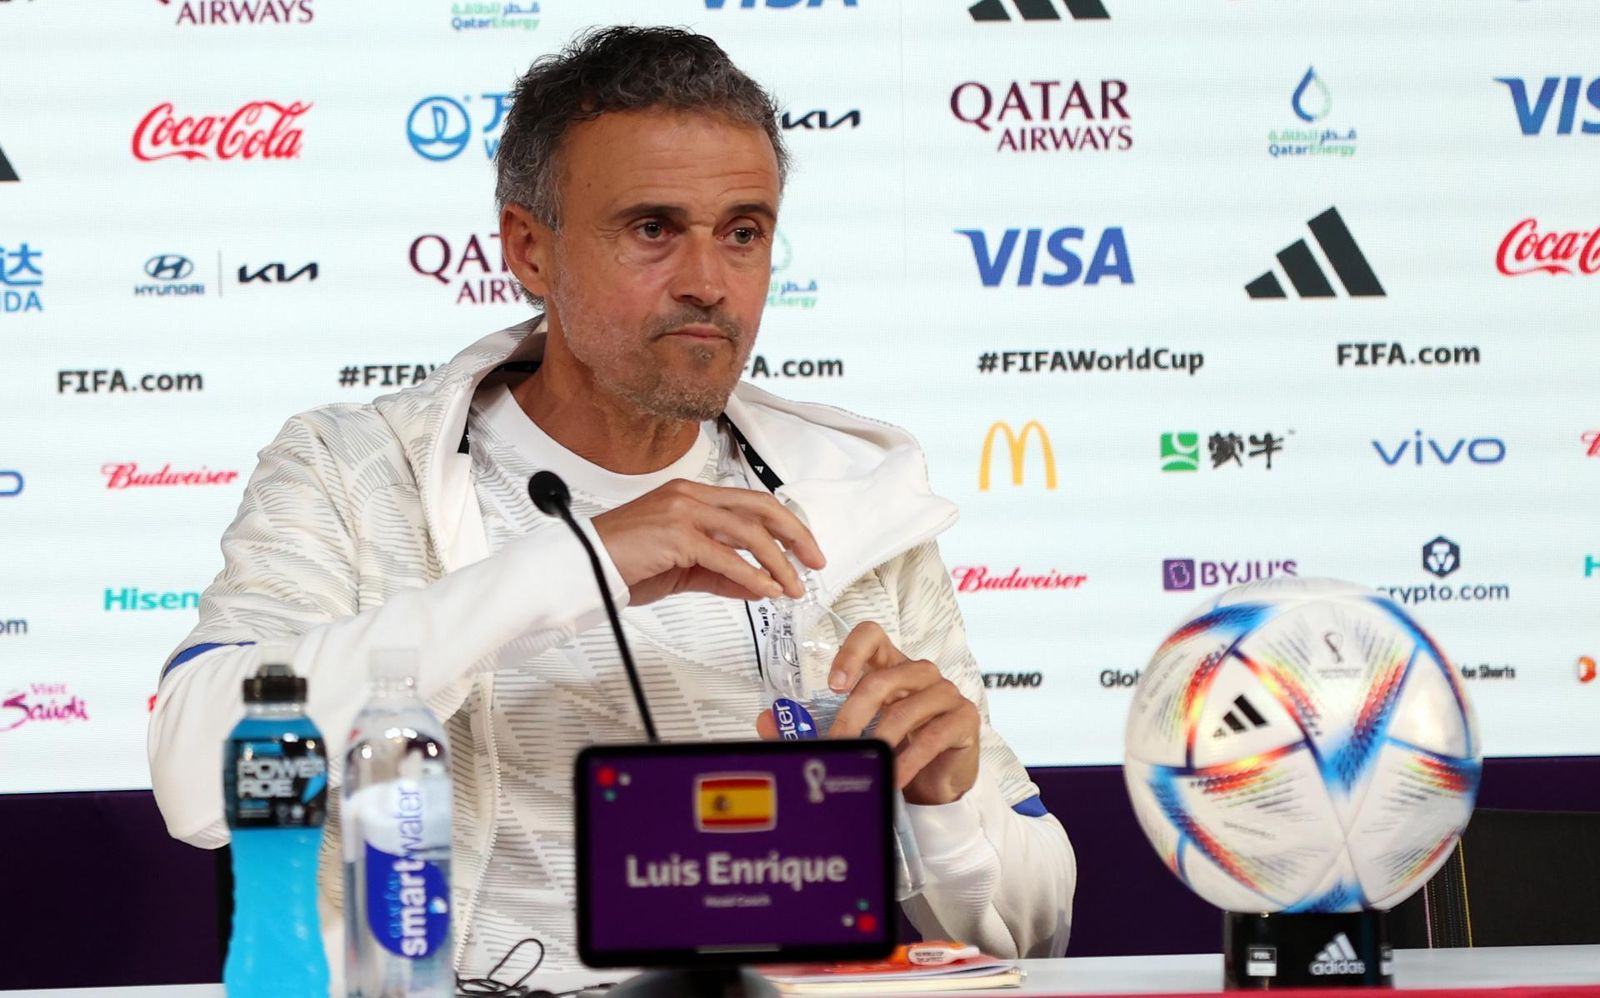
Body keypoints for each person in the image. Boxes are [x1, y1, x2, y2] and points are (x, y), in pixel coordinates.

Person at [148, 25, 1076, 978]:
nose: (709, 283)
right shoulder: (351, 469)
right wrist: (576, 564)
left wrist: (940, 812)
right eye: (652, 230)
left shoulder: (854, 497)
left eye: (744, 233)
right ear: (528, 249)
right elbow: (196, 776)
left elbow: (1037, 934)